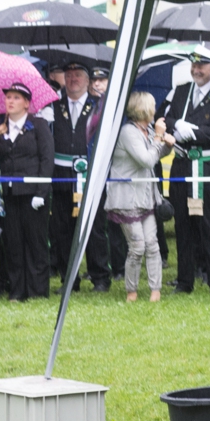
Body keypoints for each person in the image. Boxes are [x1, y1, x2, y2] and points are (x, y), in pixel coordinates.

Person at [158, 51, 210, 295]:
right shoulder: (182, 91)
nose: (196, 70)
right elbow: (162, 117)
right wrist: (176, 125)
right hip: (182, 165)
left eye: (201, 65)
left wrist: (195, 133)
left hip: (209, 167)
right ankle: (184, 280)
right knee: (183, 224)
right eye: (194, 65)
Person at [0, 83, 54, 301]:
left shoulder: (39, 125)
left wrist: (41, 192)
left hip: (33, 194)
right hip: (9, 194)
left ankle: (37, 291)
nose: (10, 101)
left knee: (35, 243)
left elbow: (47, 159)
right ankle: (17, 290)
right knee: (13, 244)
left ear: (26, 103)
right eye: (8, 97)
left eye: (16, 97)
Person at [49, 61, 110, 292]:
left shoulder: (99, 105)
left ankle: (100, 277)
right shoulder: (54, 106)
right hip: (62, 176)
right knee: (63, 229)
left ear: (87, 80)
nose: (73, 79)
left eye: (77, 75)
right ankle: (69, 280)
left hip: (90, 175)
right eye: (69, 75)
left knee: (94, 228)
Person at [109, 91, 173, 302]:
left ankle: (156, 291)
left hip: (146, 197)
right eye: (153, 106)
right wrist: (158, 137)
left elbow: (154, 156)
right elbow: (145, 160)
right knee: (137, 247)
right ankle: (131, 291)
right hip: (127, 199)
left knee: (152, 244)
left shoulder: (146, 131)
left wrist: (167, 146)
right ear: (144, 109)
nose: (156, 110)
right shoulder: (128, 132)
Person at [87, 66, 129, 287]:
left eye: (101, 80)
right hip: (91, 169)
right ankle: (100, 265)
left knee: (114, 220)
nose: (96, 84)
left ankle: (119, 266)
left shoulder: (115, 106)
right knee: (96, 222)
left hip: (112, 169)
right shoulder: (91, 106)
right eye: (93, 81)